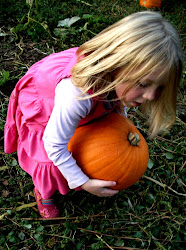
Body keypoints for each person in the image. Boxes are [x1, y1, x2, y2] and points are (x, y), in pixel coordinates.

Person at [4, 11, 183, 218]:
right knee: (49, 162)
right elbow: (54, 144)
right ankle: (44, 193)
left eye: (160, 88)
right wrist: (84, 182)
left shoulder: (117, 81)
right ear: (117, 64)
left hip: (81, 98)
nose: (151, 96)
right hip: (45, 101)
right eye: (143, 84)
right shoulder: (76, 96)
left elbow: (116, 106)